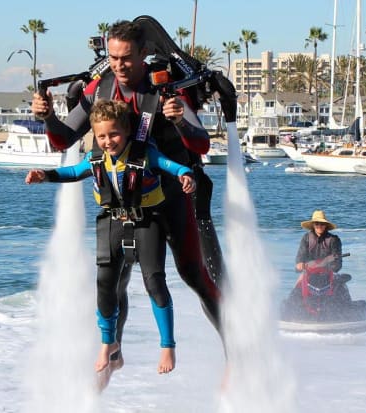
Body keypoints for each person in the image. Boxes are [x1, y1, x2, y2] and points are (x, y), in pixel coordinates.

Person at [31, 20, 223, 368]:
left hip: (169, 197)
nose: (119, 65)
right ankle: (113, 352)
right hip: (122, 203)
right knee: (113, 280)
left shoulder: (168, 89)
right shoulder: (99, 90)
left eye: (127, 58)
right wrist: (47, 119)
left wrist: (179, 120)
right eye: (113, 57)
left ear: (144, 54)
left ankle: (235, 353)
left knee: (192, 274)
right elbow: (64, 140)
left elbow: (201, 144)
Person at [25, 99, 197, 377]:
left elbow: (174, 167)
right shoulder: (95, 159)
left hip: (147, 221)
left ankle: (167, 345)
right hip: (111, 222)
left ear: (127, 131)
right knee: (105, 285)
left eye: (114, 134)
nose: (108, 141)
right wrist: (44, 175)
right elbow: (71, 173)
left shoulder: (145, 154)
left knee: (154, 281)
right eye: (101, 136)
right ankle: (108, 342)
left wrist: (186, 175)